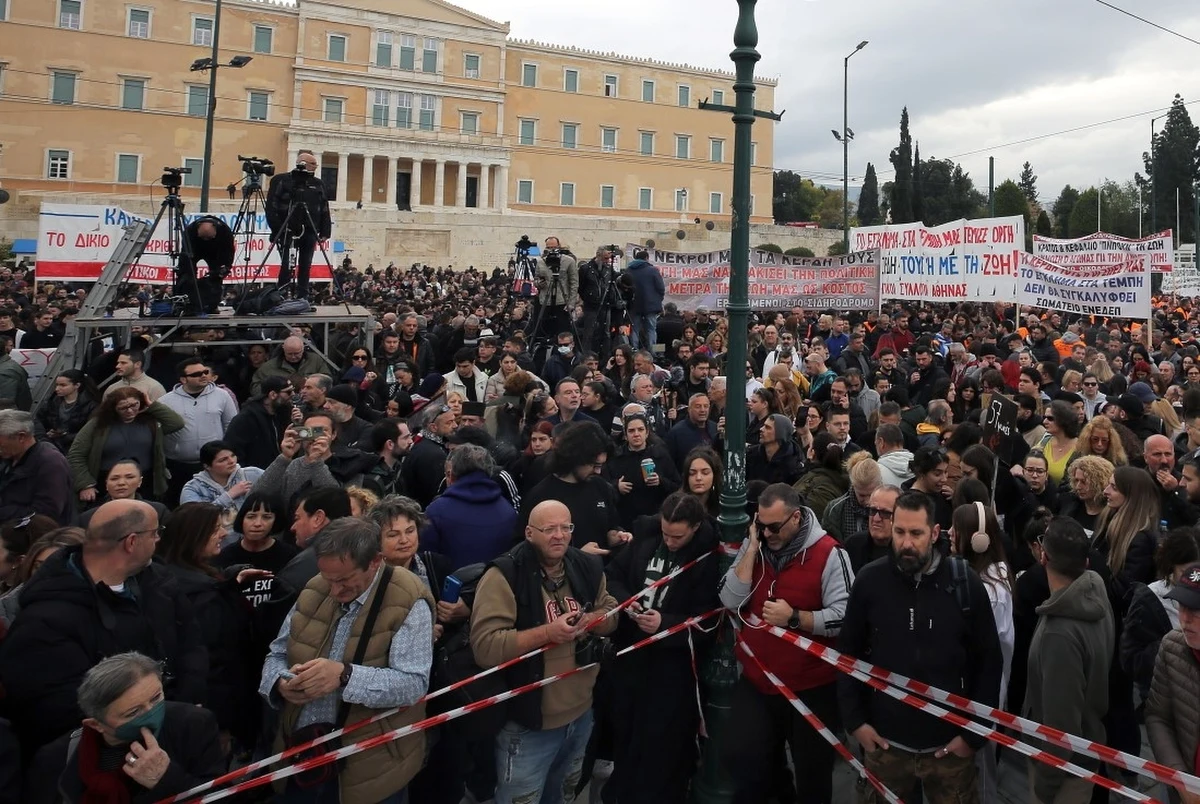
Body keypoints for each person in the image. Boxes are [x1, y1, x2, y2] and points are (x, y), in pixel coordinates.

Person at [0, 499, 207, 756]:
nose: (158, 541)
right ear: (131, 542)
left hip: (171, 739)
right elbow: (52, 710)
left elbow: (191, 641)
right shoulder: (46, 620)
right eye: (155, 533)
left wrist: (182, 707)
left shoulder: (158, 581)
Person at [837, 491, 1003, 804]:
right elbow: (848, 656)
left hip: (948, 747)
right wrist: (856, 723)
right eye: (899, 532)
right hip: (886, 744)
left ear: (935, 533)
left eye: (916, 533)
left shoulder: (965, 584)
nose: (906, 543)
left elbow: (989, 662)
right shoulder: (870, 582)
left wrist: (972, 737)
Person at [260, 518, 434, 804]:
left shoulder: (407, 599)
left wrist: (345, 676)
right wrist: (279, 683)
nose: (333, 591)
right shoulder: (316, 587)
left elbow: (414, 684)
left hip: (368, 769)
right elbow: (276, 653)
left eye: (343, 580)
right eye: (327, 578)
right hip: (302, 757)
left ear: (375, 562)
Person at [470, 499, 619, 804]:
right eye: (549, 529)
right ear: (528, 533)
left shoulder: (587, 566)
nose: (559, 535)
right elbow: (485, 648)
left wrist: (591, 621)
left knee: (563, 796)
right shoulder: (503, 576)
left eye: (566, 527)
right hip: (527, 729)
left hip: (581, 716)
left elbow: (612, 612)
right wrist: (548, 633)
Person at [719, 483, 854, 804]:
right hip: (758, 681)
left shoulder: (830, 554)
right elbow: (729, 598)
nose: (767, 534)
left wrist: (795, 617)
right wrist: (751, 548)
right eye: (761, 525)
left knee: (813, 775)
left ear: (796, 518)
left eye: (774, 527)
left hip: (810, 688)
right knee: (745, 759)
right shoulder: (757, 546)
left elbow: (844, 617)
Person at [605, 492, 720, 804]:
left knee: (662, 745)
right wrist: (627, 603)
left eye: (677, 537)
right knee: (626, 733)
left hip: (673, 672)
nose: (669, 541)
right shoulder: (647, 536)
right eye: (666, 533)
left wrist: (666, 624)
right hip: (632, 659)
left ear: (695, 528)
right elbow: (613, 576)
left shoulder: (710, 557)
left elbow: (711, 618)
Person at [26, 652, 225, 804]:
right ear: (96, 724)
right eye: (133, 712)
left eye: (156, 698)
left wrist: (165, 779)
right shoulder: (55, 759)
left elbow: (225, 797)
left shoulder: (192, 725)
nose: (151, 713)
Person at [1024, 517, 1116, 804]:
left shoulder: (1059, 635)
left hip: (1063, 774)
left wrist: (1044, 787)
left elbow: (1060, 728)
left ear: (1043, 556)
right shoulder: (1095, 586)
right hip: (1087, 750)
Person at [157, 502, 260, 752]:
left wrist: (227, 584)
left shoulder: (163, 577)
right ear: (193, 536)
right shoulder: (202, 597)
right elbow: (216, 661)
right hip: (209, 711)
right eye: (215, 530)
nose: (224, 534)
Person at [518, 420, 630, 557]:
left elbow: (611, 524)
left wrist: (615, 535)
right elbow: (525, 550)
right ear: (576, 458)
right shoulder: (541, 497)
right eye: (594, 465)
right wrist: (577, 556)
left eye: (601, 466)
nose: (598, 472)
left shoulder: (600, 487)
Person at [68, 389, 185, 505]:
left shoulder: (151, 422)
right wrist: (85, 484)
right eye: (123, 408)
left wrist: (152, 405)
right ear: (113, 408)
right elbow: (76, 454)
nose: (130, 410)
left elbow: (176, 423)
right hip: (106, 482)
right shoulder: (99, 424)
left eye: (134, 405)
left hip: (145, 482)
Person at [1120, 528, 1200, 699]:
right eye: (1186, 572)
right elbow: (1131, 661)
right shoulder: (1150, 600)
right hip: (1166, 698)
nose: (1194, 578)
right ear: (1171, 567)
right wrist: (1171, 648)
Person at [1145, 560, 1200, 798]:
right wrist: (1180, 780)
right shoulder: (1171, 647)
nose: (1185, 619)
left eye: (1196, 611)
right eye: (1181, 606)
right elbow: (1158, 717)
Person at [421, 444, 517, 570]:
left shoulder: (436, 511)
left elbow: (424, 562)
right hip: (497, 585)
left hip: (452, 587)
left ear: (451, 475)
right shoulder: (508, 511)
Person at [160, 358, 237, 506]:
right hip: (179, 465)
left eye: (205, 372)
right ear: (183, 379)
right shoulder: (165, 401)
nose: (203, 376)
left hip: (212, 465)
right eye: (196, 374)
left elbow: (231, 425)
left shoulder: (222, 395)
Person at [266, 150, 332, 301]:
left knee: (305, 264)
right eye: (313, 164)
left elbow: (324, 208)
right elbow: (272, 206)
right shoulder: (282, 180)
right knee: (285, 264)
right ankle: (281, 294)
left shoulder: (318, 183)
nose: (316, 167)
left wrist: (325, 231)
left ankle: (302, 296)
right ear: (302, 164)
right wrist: (277, 228)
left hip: (310, 229)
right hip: (286, 228)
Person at [214, 492, 297, 609]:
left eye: (266, 517)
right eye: (251, 516)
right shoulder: (224, 556)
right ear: (242, 519)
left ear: (276, 520)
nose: (257, 524)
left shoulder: (290, 556)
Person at [605, 412, 681, 529]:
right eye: (631, 431)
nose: (636, 434)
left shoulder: (660, 455)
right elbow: (604, 485)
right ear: (625, 435)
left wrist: (661, 482)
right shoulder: (616, 458)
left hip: (655, 519)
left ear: (647, 433)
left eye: (640, 430)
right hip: (625, 521)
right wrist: (616, 486)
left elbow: (677, 486)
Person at [0, 409, 73, 525]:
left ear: (21, 437)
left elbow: (46, 513)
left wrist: (4, 512)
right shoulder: (9, 457)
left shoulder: (51, 464)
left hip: (35, 536)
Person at [179, 440, 264, 524]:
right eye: (223, 460)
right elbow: (193, 518)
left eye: (233, 455)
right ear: (207, 466)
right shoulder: (193, 488)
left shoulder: (252, 474)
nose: (231, 461)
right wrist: (229, 495)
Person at [223, 375, 294, 471]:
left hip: (281, 471)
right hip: (257, 475)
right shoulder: (246, 418)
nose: (293, 394)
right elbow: (233, 450)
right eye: (288, 392)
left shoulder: (283, 413)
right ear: (273, 394)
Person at [401, 403, 458, 508]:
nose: (455, 425)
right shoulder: (434, 455)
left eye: (454, 420)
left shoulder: (422, 443)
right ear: (433, 427)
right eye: (449, 423)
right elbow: (438, 494)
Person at [176, 215, 235, 313]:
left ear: (216, 230)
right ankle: (186, 303)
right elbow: (185, 255)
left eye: (209, 237)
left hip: (216, 252)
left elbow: (228, 254)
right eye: (203, 237)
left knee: (216, 276)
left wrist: (224, 268)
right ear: (197, 229)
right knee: (186, 274)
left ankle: (212, 304)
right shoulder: (190, 231)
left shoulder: (225, 232)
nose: (206, 240)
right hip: (195, 248)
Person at [822, 455, 882, 544]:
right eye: (862, 495)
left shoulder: (891, 508)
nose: (868, 501)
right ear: (853, 486)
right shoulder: (835, 509)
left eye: (871, 494)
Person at [38, 370, 98, 454]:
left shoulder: (91, 405)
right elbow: (38, 420)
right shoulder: (52, 401)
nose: (57, 389)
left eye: (63, 385)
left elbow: (92, 431)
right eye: (57, 385)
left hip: (76, 448)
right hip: (51, 445)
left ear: (77, 385)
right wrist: (45, 436)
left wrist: (65, 437)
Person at [844, 485, 901, 573]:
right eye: (873, 511)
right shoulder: (852, 545)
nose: (876, 518)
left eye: (885, 513)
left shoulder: (905, 552)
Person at [534, 236, 579, 340]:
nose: (551, 250)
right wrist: (539, 283)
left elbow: (574, 283)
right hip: (545, 301)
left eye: (553, 247)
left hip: (562, 301)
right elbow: (536, 280)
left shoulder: (569, 261)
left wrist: (571, 303)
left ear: (559, 247)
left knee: (562, 331)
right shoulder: (541, 262)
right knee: (544, 330)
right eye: (548, 247)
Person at [250, 337, 327, 396]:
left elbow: (327, 380)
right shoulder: (268, 367)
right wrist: (280, 387)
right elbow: (255, 389)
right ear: (283, 350)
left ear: (303, 349)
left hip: (311, 401)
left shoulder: (316, 360)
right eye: (289, 354)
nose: (293, 357)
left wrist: (309, 383)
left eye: (296, 353)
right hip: (282, 404)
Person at [746, 413, 804, 486]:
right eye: (763, 426)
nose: (761, 429)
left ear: (780, 433)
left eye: (767, 427)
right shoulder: (752, 454)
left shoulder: (793, 465)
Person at [626, 248, 665, 351]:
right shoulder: (653, 270)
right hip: (651, 305)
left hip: (634, 305)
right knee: (651, 329)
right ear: (647, 258)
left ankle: (634, 349)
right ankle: (654, 352)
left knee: (634, 329)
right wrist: (658, 300)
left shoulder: (629, 270)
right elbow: (661, 287)